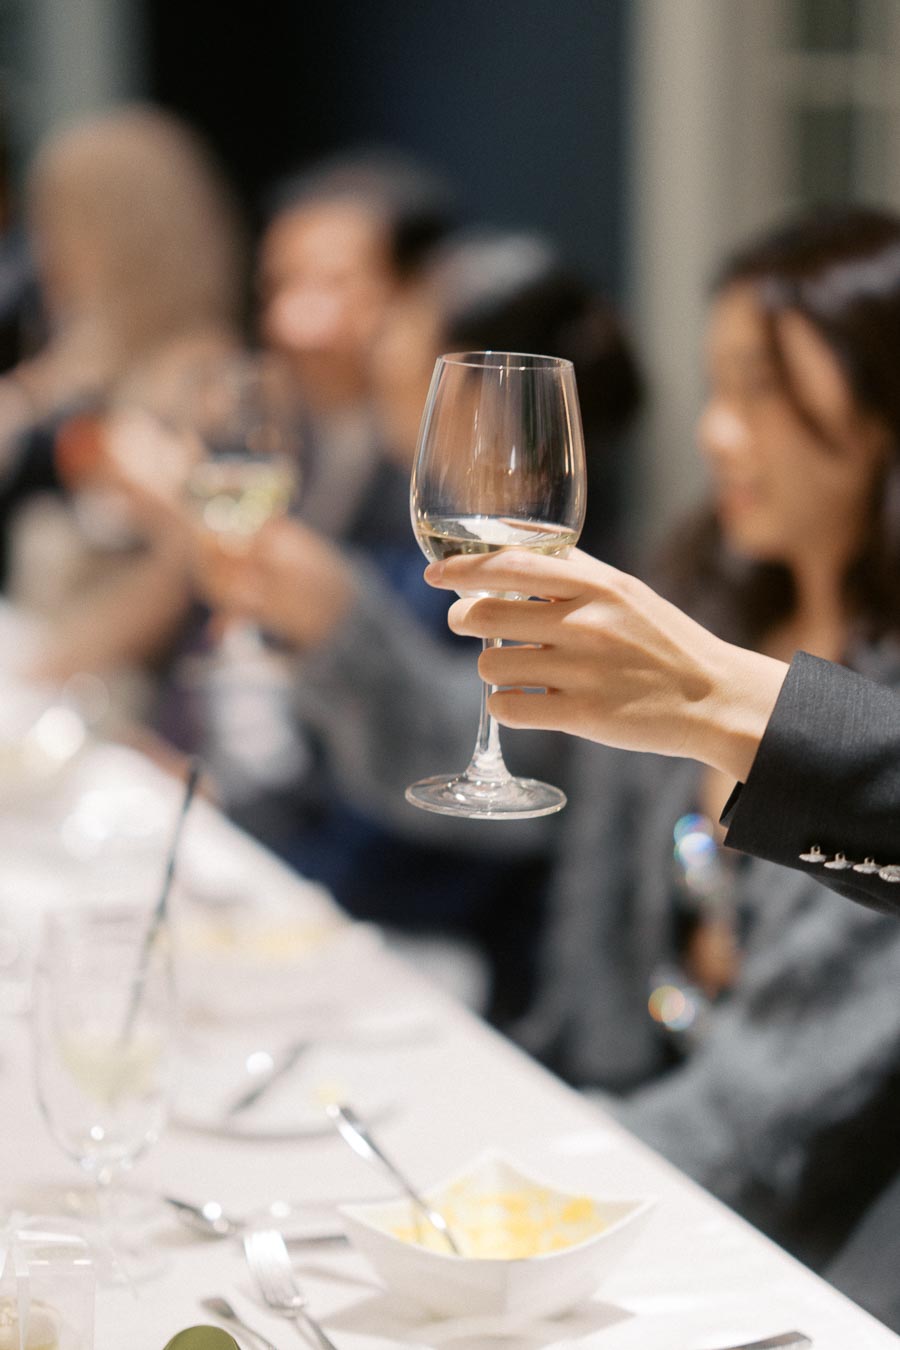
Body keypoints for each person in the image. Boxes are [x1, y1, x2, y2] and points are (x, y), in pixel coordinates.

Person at [425, 205, 900, 1275]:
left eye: (762, 390)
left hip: (767, 1249)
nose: (716, 432)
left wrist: (509, 1182)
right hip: (624, 1149)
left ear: (883, 401)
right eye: (718, 389)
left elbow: (771, 1114)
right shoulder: (709, 599)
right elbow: (503, 772)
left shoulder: (851, 707)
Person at [183, 226, 644, 1026]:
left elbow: (477, 805)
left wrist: (338, 620)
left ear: (477, 387)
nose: (377, 340)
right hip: (354, 927)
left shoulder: (580, 588)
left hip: (471, 981)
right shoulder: (411, 523)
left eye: (404, 318)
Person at [0, 103, 246, 703]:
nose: (46, 250)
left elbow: (186, 568)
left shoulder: (205, 374)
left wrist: (50, 671)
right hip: (38, 645)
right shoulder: (84, 352)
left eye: (61, 225)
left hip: (110, 689)